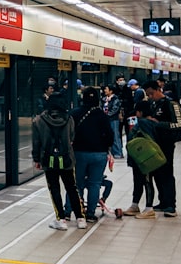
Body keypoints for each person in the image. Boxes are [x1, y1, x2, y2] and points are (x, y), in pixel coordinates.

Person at [33, 94, 86, 230]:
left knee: (54, 189)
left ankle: (61, 219)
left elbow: (36, 142)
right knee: (72, 188)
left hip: (48, 159)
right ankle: (80, 218)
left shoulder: (39, 120)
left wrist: (36, 159)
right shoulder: (69, 119)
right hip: (67, 159)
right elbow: (72, 137)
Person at [142, 80, 181, 217]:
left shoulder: (171, 104)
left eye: (151, 94)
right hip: (155, 144)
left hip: (166, 144)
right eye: (147, 95)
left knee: (167, 174)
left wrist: (159, 124)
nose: (149, 97)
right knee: (157, 173)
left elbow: (179, 124)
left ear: (158, 90)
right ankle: (162, 201)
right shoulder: (154, 104)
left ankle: (171, 205)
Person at [71, 87, 114, 222]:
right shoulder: (102, 115)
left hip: (79, 153)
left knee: (77, 184)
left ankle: (75, 212)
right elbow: (110, 135)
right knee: (95, 184)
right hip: (99, 153)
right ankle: (90, 213)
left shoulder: (75, 114)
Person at [122, 101, 157, 219]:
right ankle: (135, 205)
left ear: (141, 112)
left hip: (143, 157)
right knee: (139, 181)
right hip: (141, 158)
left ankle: (149, 208)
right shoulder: (150, 123)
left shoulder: (145, 123)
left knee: (146, 181)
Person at [101, 84, 123, 158]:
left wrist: (106, 115)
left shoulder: (115, 99)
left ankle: (118, 152)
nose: (105, 90)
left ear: (111, 91)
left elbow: (115, 109)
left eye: (106, 89)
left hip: (113, 120)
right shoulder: (104, 99)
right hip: (105, 120)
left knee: (115, 136)